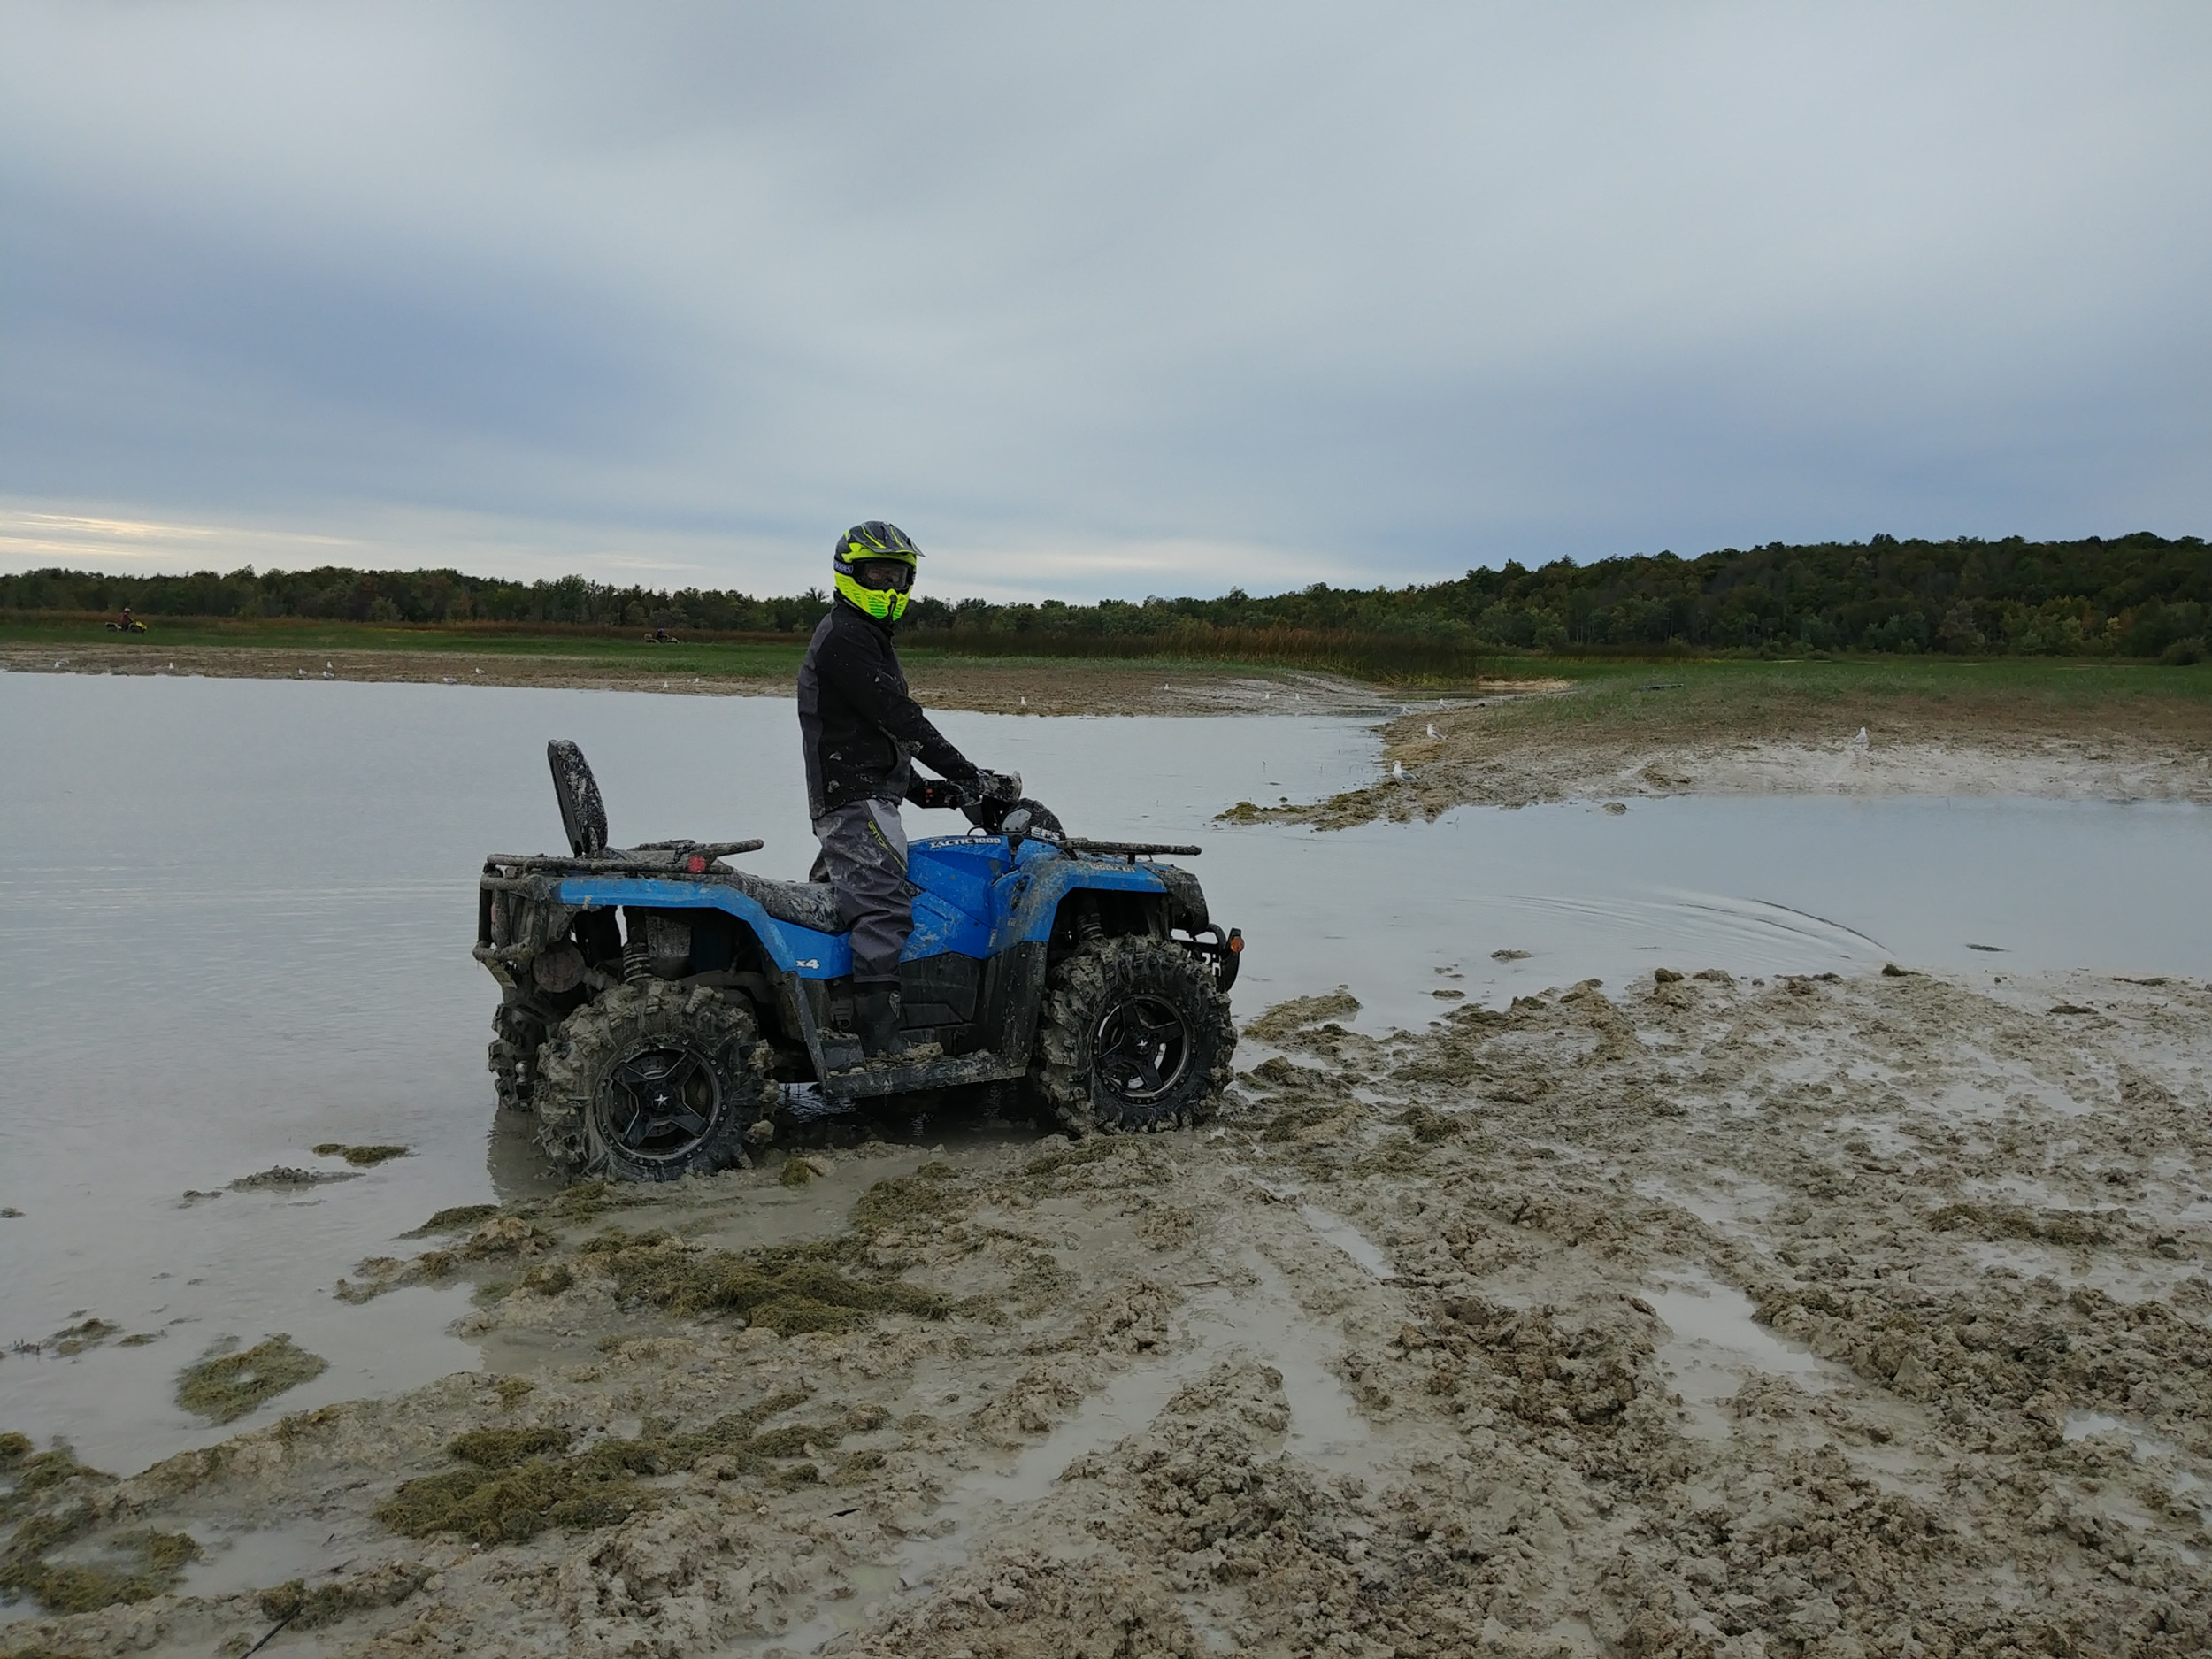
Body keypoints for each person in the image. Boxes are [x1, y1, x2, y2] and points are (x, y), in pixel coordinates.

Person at [797, 521, 1018, 1057]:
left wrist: (941, 794)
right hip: (853, 800)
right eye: (879, 575)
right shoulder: (848, 635)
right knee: (885, 908)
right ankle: (881, 1040)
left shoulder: (864, 637)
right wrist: (969, 775)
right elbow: (901, 720)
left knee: (871, 901)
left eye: (900, 577)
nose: (891, 589)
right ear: (850, 572)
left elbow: (876, 740)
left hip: (860, 790)